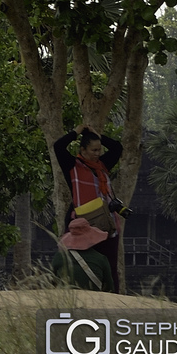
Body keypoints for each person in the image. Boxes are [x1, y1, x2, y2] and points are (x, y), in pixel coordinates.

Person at [55, 124, 125, 291]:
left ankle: (113, 298)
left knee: (110, 264)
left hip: (106, 222)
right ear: (83, 150)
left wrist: (98, 133)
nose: (98, 154)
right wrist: (75, 132)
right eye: (93, 150)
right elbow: (58, 146)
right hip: (83, 223)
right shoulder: (72, 166)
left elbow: (117, 148)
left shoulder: (103, 165)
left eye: (99, 150)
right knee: (77, 259)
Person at [56, 217, 115, 291]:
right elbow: (109, 288)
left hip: (65, 298)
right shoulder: (101, 259)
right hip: (94, 299)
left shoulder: (59, 257)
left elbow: (51, 282)